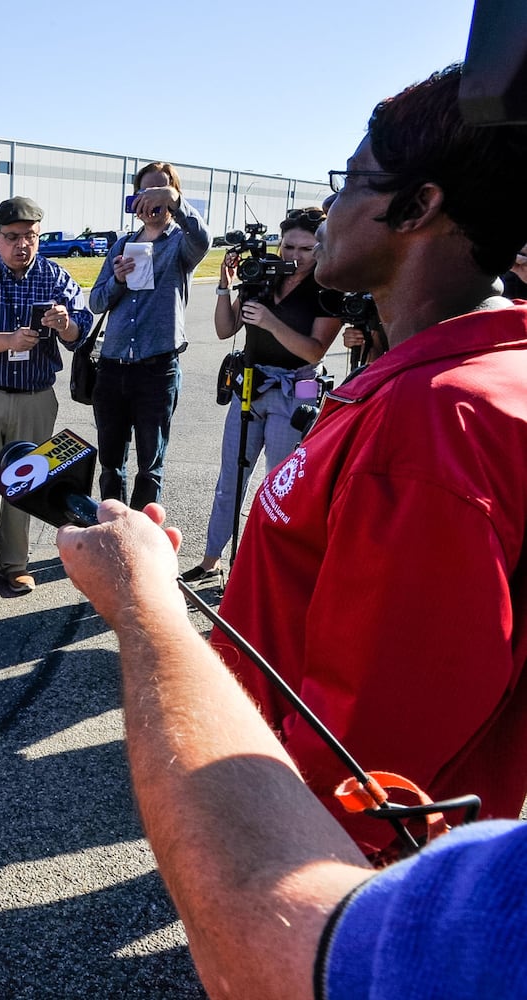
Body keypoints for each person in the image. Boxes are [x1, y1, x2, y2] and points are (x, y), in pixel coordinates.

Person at [212, 64, 527, 859]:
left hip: (324, 863)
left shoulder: (426, 424)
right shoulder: (466, 374)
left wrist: (141, 603)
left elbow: (362, 758)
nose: (329, 211)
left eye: (352, 182)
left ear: (417, 206)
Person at [57, 501, 527, 1000]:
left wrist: (141, 599)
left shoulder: (424, 445)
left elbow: (273, 939)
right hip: (285, 773)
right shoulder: (386, 427)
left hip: (309, 820)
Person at [181, 208, 342, 585]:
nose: (295, 255)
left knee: (279, 483)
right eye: (288, 245)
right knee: (230, 479)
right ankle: (211, 559)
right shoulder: (263, 275)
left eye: (306, 247)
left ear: (320, 247)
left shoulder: (327, 289)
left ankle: (268, 567)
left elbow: (315, 351)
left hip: (294, 389)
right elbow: (225, 329)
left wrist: (270, 322)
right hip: (251, 385)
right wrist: (226, 285)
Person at [0, 195, 91, 599]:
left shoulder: (57, 278)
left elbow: (81, 328)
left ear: (39, 236)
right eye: (12, 237)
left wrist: (65, 324)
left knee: (27, 484)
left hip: (35, 396)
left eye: (29, 236)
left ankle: (16, 565)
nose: (21, 245)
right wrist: (9, 340)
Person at [88, 162, 211, 509]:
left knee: (150, 465)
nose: (153, 200)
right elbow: (97, 301)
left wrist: (174, 200)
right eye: (146, 191)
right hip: (113, 367)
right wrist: (118, 280)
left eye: (161, 190)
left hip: (157, 369)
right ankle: (113, 528)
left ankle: (142, 541)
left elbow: (203, 238)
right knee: (111, 463)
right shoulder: (122, 245)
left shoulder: (180, 245)